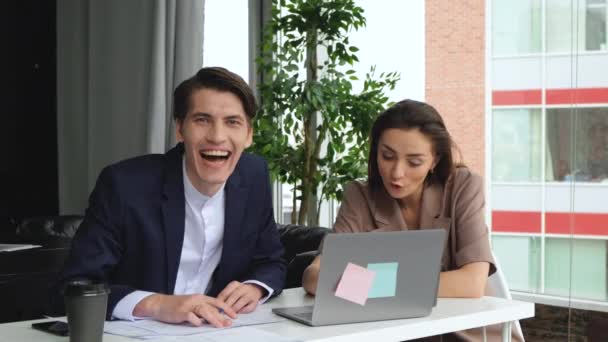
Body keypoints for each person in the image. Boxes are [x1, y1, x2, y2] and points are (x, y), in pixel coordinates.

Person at [57, 67, 286, 328]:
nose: (217, 137)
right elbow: (76, 286)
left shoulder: (253, 175)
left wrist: (254, 287)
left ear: (248, 135)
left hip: (216, 332)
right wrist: (157, 304)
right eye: (202, 120)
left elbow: (271, 261)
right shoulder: (124, 186)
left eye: (232, 122)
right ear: (180, 129)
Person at [302, 100, 522, 341]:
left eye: (414, 162)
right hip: (393, 332)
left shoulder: (463, 186)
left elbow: (471, 284)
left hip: (467, 334)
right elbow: (315, 277)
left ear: (435, 160)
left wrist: (369, 284)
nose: (397, 173)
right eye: (387, 156)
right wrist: (407, 285)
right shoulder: (360, 195)